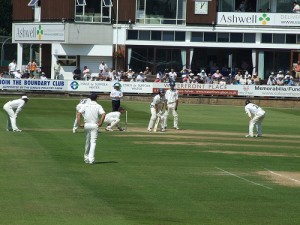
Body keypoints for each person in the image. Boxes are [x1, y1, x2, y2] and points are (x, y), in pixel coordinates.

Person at [77, 93, 106, 164]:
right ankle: (91, 159)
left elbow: (79, 113)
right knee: (93, 142)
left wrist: (79, 123)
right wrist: (101, 123)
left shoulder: (86, 105)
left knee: (87, 142)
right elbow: (103, 114)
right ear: (96, 98)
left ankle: (86, 158)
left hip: (87, 125)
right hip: (94, 125)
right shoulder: (98, 106)